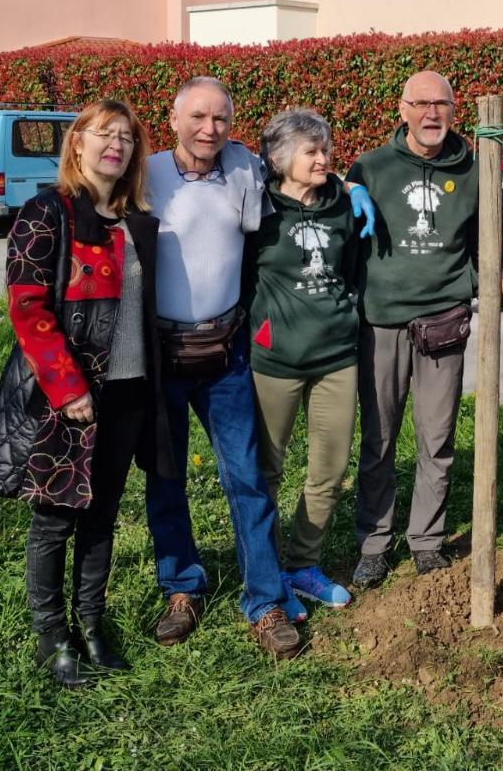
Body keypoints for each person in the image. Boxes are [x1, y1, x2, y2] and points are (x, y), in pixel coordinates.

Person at [143, 77, 372, 657]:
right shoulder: (145, 175)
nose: (209, 129)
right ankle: (182, 587)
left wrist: (351, 185)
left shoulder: (242, 169)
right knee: (167, 481)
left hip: (223, 354)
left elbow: (303, 170)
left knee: (246, 479)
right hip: (162, 356)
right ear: (173, 118)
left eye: (221, 119)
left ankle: (265, 601)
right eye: (198, 117)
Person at [0, 100, 172, 686]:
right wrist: (67, 387)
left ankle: (92, 625)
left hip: (130, 391)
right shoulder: (47, 213)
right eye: (103, 134)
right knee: (55, 521)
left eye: (127, 138)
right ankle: (51, 636)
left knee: (103, 517)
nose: (116, 145)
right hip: (69, 396)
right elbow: (27, 306)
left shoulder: (137, 219)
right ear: (77, 144)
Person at [345, 70, 479, 589]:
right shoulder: (372, 168)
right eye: (419, 104)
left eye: (440, 104)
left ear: (453, 108)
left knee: (438, 436)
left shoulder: (472, 169)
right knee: (378, 437)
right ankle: (374, 544)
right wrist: (342, 181)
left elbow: (486, 237)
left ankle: (426, 540)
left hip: (444, 322)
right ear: (401, 110)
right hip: (381, 323)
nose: (430, 114)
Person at [243, 108, 359, 609]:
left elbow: (353, 268)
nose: (323, 159)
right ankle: (266, 575)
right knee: (265, 470)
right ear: (279, 158)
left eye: (325, 150)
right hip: (275, 362)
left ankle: (302, 564)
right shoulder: (258, 209)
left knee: (329, 470)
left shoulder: (342, 204)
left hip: (337, 357)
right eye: (311, 151)